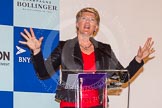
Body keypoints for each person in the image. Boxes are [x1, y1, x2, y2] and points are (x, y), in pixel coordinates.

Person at [19, 7, 155, 108]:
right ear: (77, 24)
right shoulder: (64, 47)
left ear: (96, 27)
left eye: (92, 19)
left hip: (98, 105)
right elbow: (43, 73)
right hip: (71, 104)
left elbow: (122, 78)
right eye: (83, 18)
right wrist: (36, 51)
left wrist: (138, 59)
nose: (87, 22)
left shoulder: (104, 49)